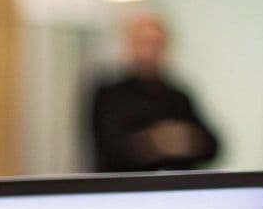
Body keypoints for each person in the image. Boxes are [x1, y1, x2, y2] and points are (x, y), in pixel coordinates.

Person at [88, 12, 222, 173]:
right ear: (129, 45)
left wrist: (183, 139)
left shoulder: (178, 96)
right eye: (143, 43)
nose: (149, 51)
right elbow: (109, 148)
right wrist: (156, 142)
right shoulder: (109, 95)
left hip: (173, 191)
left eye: (156, 43)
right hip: (124, 191)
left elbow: (212, 147)